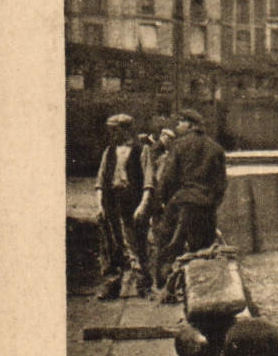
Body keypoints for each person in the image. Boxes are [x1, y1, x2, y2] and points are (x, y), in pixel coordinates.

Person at [157, 108, 228, 300]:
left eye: (180, 122)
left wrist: (163, 202)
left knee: (170, 247)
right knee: (203, 252)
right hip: (206, 208)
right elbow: (221, 185)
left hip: (181, 204)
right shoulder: (216, 148)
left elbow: (167, 178)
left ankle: (168, 290)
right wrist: (211, 204)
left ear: (190, 124)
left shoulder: (178, 146)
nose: (177, 126)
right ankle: (202, 295)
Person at [94, 113, 149, 299]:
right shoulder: (108, 151)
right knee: (110, 243)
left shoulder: (142, 151)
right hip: (111, 202)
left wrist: (143, 204)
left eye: (115, 130)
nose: (111, 134)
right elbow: (100, 180)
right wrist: (100, 203)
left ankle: (143, 283)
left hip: (132, 202)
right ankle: (112, 284)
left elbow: (149, 182)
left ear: (126, 130)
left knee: (134, 242)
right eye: (110, 130)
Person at [136, 123, 176, 296]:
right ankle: (160, 280)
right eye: (167, 138)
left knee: (160, 240)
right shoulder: (156, 153)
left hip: (160, 202)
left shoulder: (159, 152)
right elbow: (153, 179)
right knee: (161, 240)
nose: (169, 141)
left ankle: (160, 279)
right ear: (163, 137)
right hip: (158, 202)